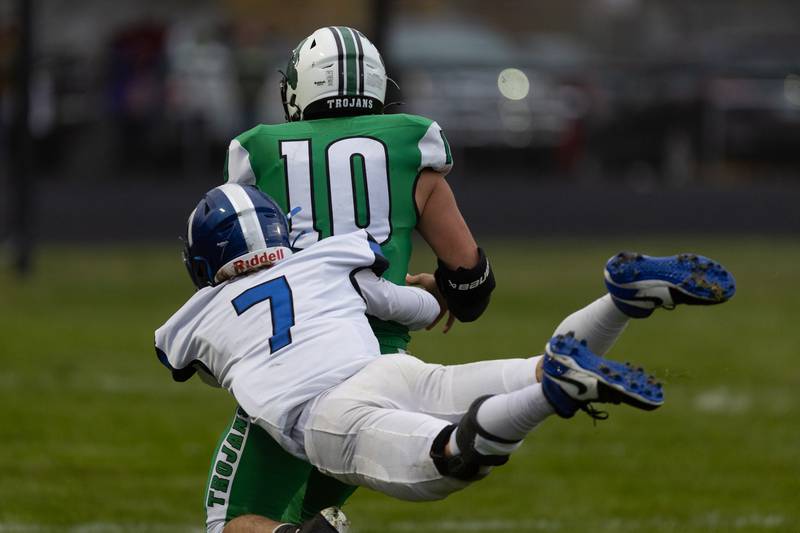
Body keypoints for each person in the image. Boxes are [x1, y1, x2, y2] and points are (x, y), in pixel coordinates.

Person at [156, 184, 736, 532]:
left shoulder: (191, 321)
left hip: (324, 413)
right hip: (387, 370)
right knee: (536, 365)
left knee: (453, 458)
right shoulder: (326, 259)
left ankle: (554, 392)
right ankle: (618, 302)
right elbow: (415, 307)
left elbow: (201, 366)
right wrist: (429, 295)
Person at [206, 26, 495, 531]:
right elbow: (471, 285)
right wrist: (426, 290)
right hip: (378, 371)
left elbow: (245, 267)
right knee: (306, 515)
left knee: (235, 521)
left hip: (295, 361)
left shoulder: (258, 150)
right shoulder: (411, 146)